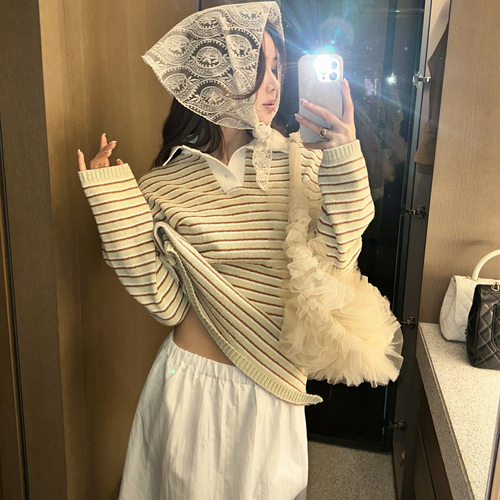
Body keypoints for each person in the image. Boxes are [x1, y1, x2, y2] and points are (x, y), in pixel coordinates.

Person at [77, 2, 403, 499]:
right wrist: (112, 199)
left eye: (277, 69)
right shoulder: (164, 185)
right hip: (189, 382)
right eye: (257, 69)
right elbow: (165, 303)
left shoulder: (300, 161)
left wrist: (341, 156)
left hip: (272, 386)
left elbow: (337, 257)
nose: (273, 84)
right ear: (212, 79)